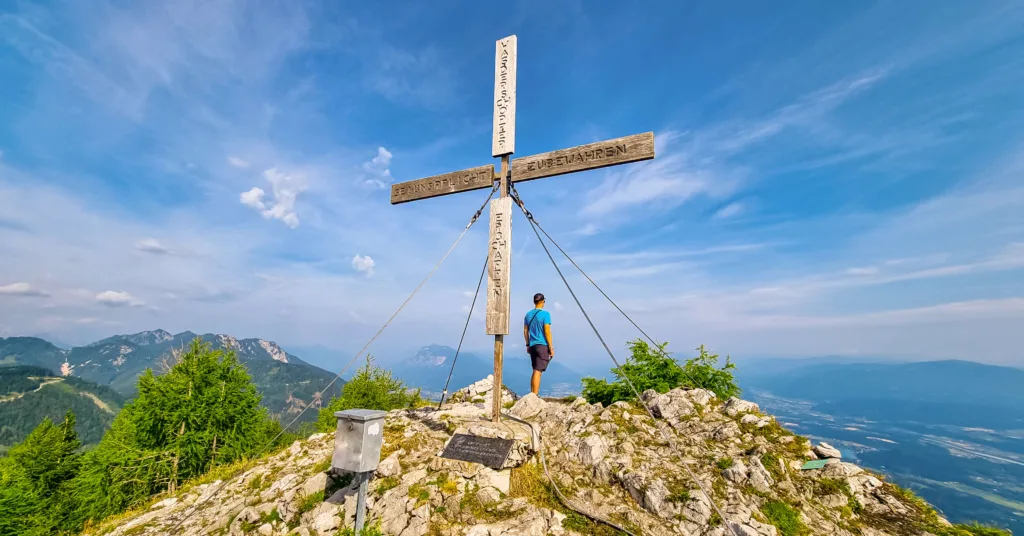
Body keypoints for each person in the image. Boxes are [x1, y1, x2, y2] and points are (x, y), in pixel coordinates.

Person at [523, 292, 553, 396]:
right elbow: (547, 332)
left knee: (535, 369)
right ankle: (534, 395)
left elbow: (525, 331)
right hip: (542, 345)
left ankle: (532, 394)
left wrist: (527, 345)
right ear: (542, 301)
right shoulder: (545, 314)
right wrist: (551, 347)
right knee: (538, 371)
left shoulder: (528, 315)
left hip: (532, 345)